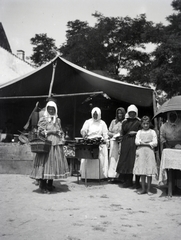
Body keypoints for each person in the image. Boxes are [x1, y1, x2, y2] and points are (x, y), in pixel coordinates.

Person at [30, 99, 69, 193]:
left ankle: (50, 184)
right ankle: (42, 186)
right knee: (46, 164)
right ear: (47, 109)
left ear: (55, 110)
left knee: (54, 164)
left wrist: (61, 134)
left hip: (56, 144)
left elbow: (60, 130)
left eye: (53, 109)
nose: (51, 111)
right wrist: (52, 132)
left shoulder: (58, 120)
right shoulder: (43, 119)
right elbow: (40, 132)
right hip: (47, 144)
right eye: (49, 109)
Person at [80, 107, 109, 180]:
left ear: (99, 114)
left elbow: (105, 134)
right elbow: (83, 130)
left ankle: (99, 176)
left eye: (96, 114)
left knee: (99, 158)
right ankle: (87, 176)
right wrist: (84, 133)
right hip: (90, 141)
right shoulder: (88, 122)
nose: (95, 116)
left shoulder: (102, 123)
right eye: (94, 114)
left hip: (99, 142)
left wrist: (106, 141)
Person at [116, 104, 141, 188]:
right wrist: (120, 143)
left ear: (136, 112)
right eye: (130, 112)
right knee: (126, 162)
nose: (132, 114)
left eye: (133, 112)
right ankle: (128, 181)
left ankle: (137, 182)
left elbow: (144, 131)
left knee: (135, 161)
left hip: (135, 143)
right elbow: (122, 133)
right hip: (126, 143)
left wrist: (136, 132)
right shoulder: (125, 122)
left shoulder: (139, 122)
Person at [133, 116, 158, 195]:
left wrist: (144, 143)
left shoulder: (152, 132)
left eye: (147, 123)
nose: (146, 125)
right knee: (142, 171)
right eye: (144, 124)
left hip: (150, 152)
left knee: (149, 172)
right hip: (141, 152)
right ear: (141, 124)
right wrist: (148, 144)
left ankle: (148, 189)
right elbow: (137, 142)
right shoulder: (139, 132)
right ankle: (143, 188)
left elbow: (155, 143)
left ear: (149, 124)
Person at [160, 111, 181, 194]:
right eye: (170, 116)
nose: (172, 117)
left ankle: (179, 186)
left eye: (174, 116)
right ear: (168, 117)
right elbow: (161, 137)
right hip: (168, 147)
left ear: (176, 116)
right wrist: (167, 144)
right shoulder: (164, 126)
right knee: (170, 168)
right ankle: (170, 187)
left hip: (179, 147)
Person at [107, 107, 126, 182]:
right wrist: (114, 134)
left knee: (120, 158)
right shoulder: (113, 122)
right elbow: (108, 132)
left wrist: (121, 136)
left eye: (121, 113)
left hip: (121, 141)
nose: (119, 114)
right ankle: (112, 176)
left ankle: (120, 177)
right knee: (113, 159)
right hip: (113, 142)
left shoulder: (125, 122)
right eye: (118, 113)